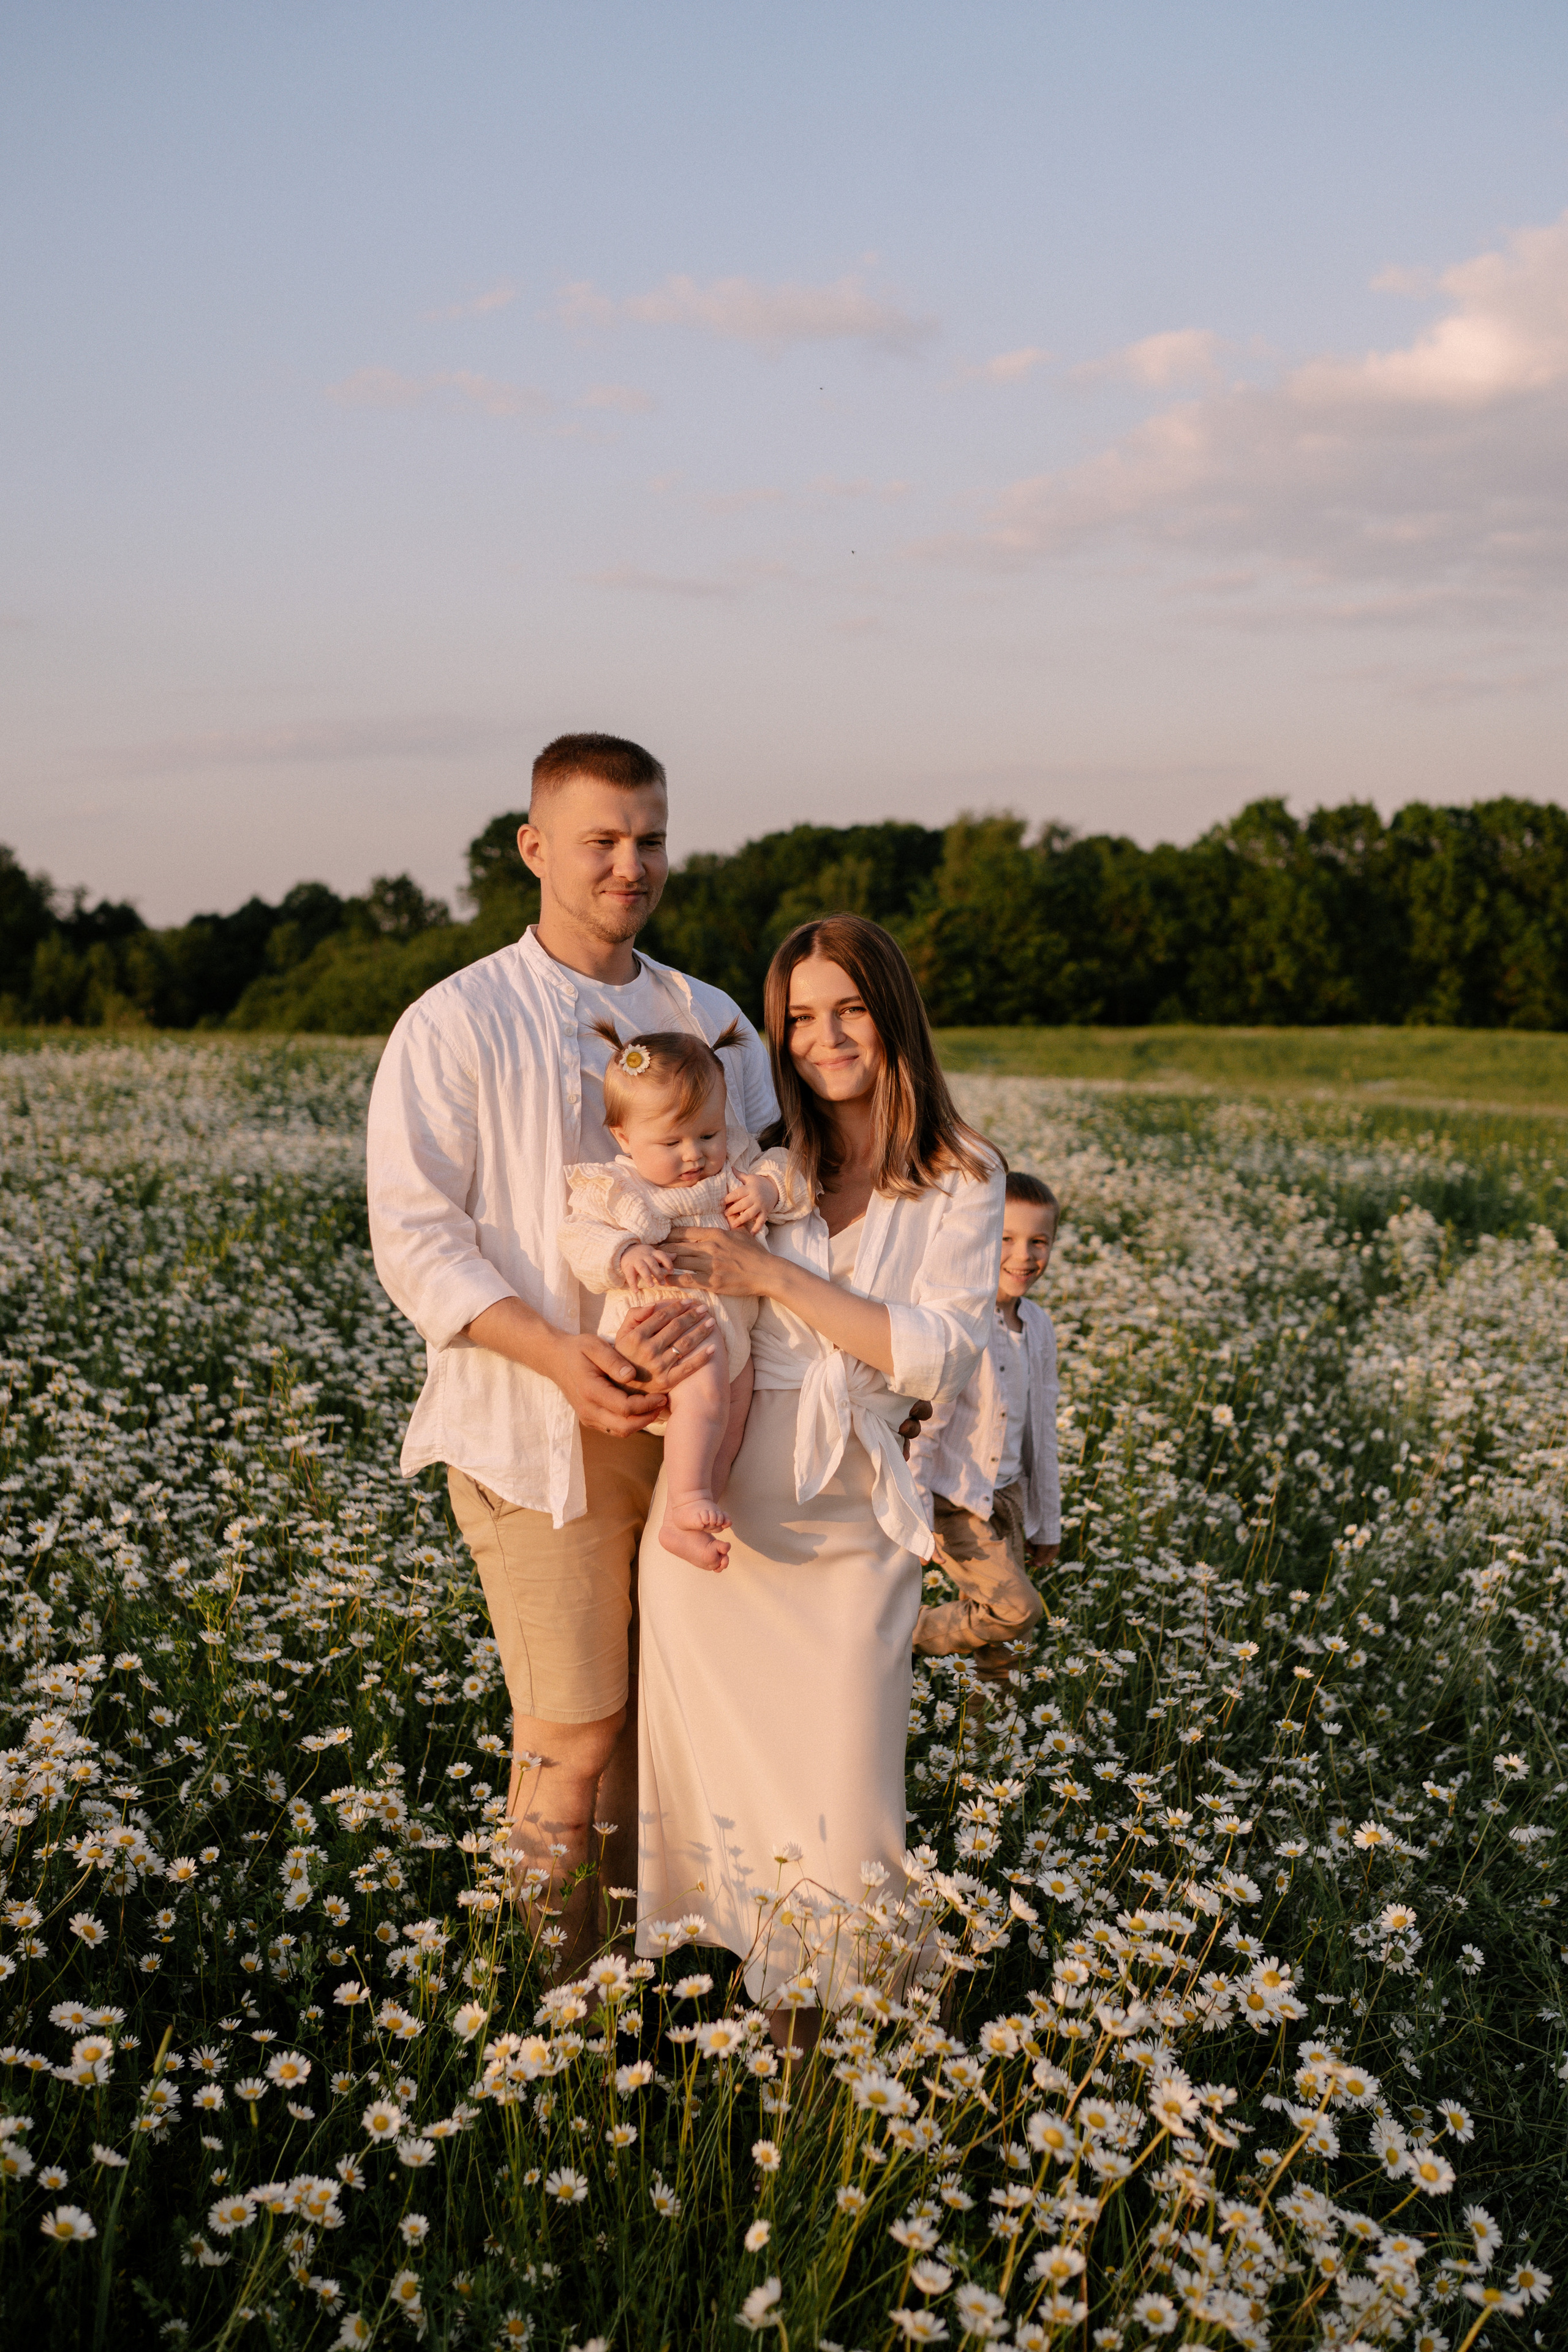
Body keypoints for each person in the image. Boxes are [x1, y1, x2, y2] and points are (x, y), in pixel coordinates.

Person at [365, 734, 775, 1973]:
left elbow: (760, 1189)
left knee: (660, 1737)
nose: (628, 864)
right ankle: (552, 2030)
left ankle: (627, 2002)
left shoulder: (708, 1017)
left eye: (648, 839)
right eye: (599, 840)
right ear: (533, 848)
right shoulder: (455, 1021)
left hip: (703, 1434)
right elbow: (415, 1238)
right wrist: (554, 1352)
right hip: (532, 1433)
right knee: (568, 1741)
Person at [633, 913, 1005, 2041]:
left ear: (892, 1013)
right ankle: (783, 2091)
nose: (824, 1037)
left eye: (848, 1009)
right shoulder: (753, 1156)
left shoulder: (960, 1173)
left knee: (847, 1816)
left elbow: (938, 1348)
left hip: (852, 1518)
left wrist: (770, 1277)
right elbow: (665, 1267)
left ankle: (876, 2068)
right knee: (734, 1819)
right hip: (721, 1515)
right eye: (799, 1017)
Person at [557, 1022, 812, 1573]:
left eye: (708, 1135)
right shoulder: (618, 1187)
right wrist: (624, 1252)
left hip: (733, 1333)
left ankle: (695, 1511)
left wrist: (767, 1190)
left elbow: (790, 1170)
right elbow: (577, 1236)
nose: (694, 1155)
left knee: (733, 1418)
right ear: (624, 1137)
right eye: (670, 1143)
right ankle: (685, 1501)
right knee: (707, 1404)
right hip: (674, 1329)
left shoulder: (739, 1162)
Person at [909, 1170, 1061, 1679]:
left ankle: (992, 1742)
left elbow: (1042, 1428)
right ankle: (907, 1636)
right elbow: (925, 1426)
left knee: (1008, 1644)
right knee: (1017, 1611)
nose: (1024, 1256)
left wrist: (1048, 1521)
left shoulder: (1037, 1325)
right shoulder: (961, 1320)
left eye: (1038, 1241)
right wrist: (915, 1508)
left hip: (1010, 1496)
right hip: (957, 1502)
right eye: (1006, 1239)